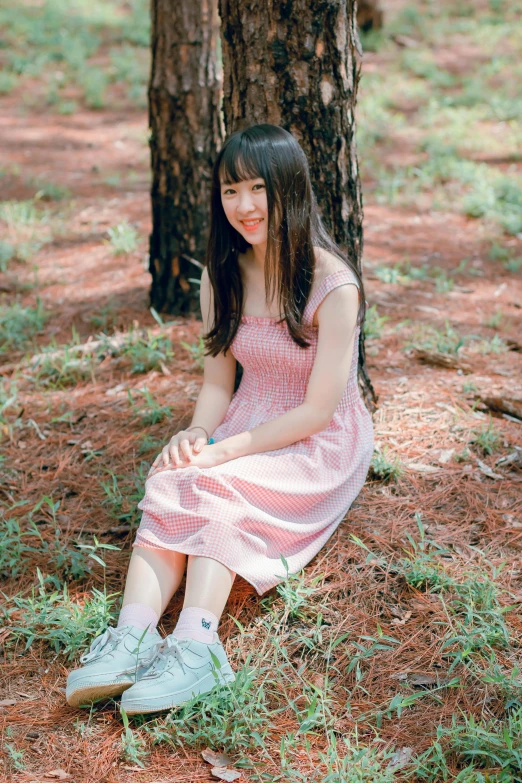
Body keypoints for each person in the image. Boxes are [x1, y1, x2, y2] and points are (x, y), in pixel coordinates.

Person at [66, 123, 374, 715]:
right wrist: (198, 433)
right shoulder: (222, 275)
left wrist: (225, 451)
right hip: (247, 416)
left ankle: (197, 645)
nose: (244, 206)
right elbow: (217, 382)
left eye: (258, 188)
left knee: (219, 485)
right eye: (230, 190)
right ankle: (132, 636)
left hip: (317, 438)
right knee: (174, 476)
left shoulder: (333, 285)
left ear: (289, 189)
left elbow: (317, 409)